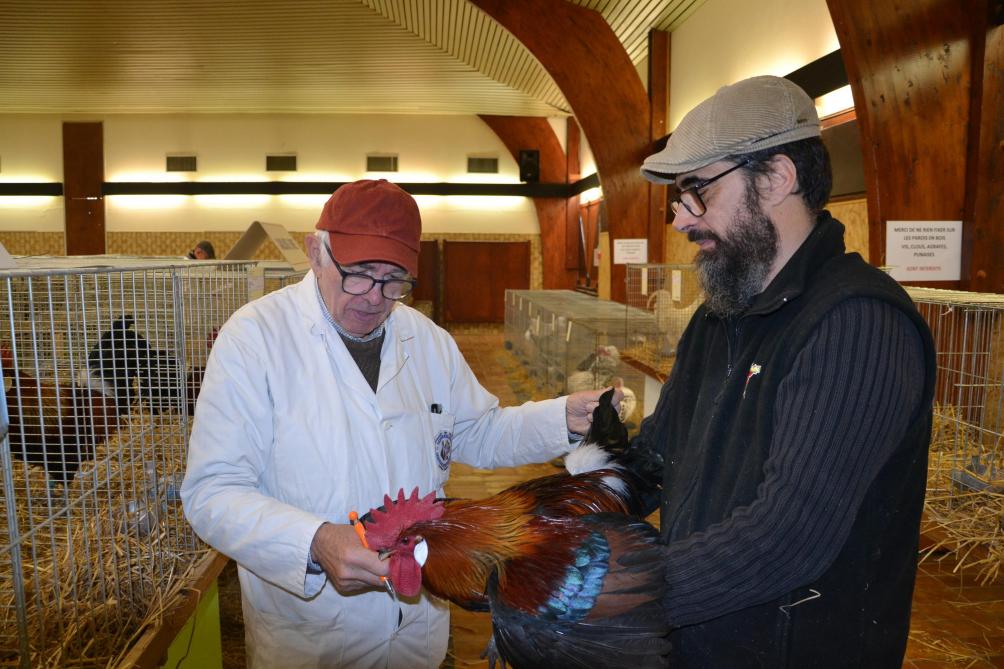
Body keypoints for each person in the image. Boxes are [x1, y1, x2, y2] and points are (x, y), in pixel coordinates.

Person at [180, 179, 615, 669]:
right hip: (312, 636)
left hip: (417, 631)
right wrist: (316, 541)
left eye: (395, 280)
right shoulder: (254, 340)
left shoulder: (426, 339)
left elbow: (478, 431)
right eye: (360, 274)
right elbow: (212, 491)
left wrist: (562, 418)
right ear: (316, 252)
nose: (374, 297)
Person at [630, 75, 936, 667]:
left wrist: (617, 597)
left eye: (697, 191)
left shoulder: (857, 322)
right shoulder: (719, 317)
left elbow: (788, 535)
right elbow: (656, 457)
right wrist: (566, 515)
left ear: (775, 178)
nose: (681, 221)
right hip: (695, 644)